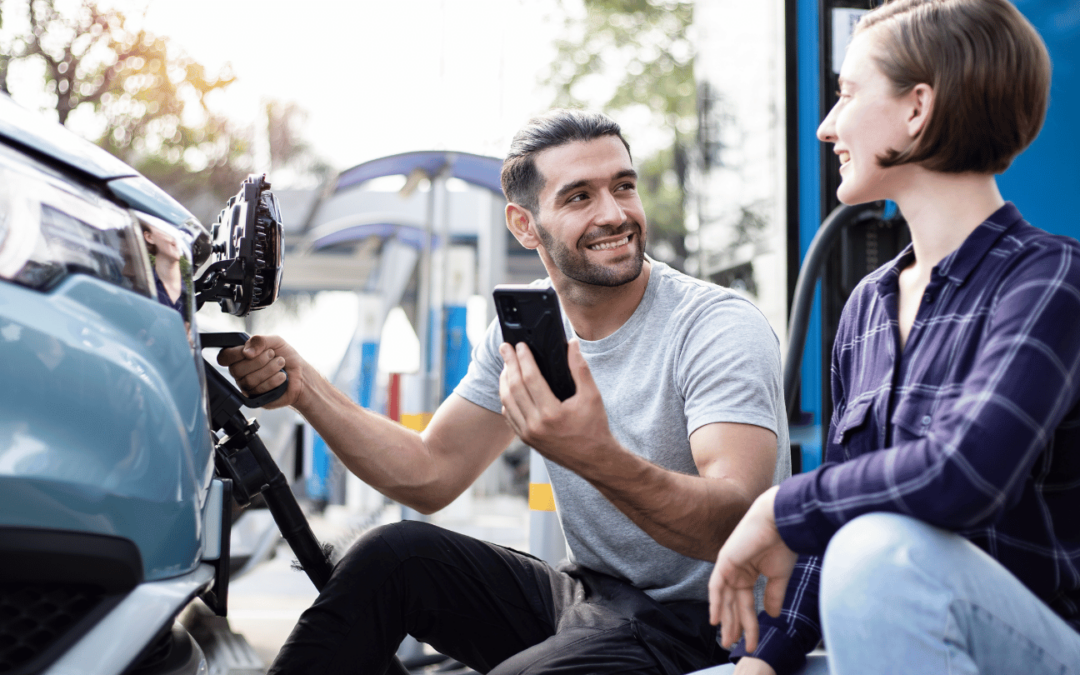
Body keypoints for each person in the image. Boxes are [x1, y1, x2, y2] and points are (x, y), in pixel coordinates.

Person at [220, 109, 790, 674]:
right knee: (393, 556)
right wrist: (307, 389)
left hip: (713, 619)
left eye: (623, 186)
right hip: (594, 599)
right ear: (524, 225)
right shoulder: (525, 330)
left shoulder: (715, 326)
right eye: (579, 197)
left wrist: (593, 455)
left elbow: (732, 523)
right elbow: (431, 473)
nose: (614, 214)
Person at [704, 1, 1080, 674]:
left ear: (917, 109)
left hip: (1040, 648)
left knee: (880, 548)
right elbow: (847, 503)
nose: (825, 126)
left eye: (846, 94)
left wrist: (778, 508)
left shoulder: (1052, 279)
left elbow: (963, 471)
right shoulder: (866, 308)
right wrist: (764, 656)